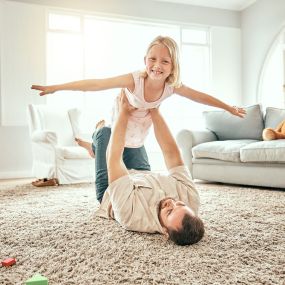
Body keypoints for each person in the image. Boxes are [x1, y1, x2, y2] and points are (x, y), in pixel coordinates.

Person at [31, 35, 246, 155]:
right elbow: (96, 84)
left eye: (165, 61)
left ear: (173, 67)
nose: (157, 65)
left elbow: (199, 96)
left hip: (140, 130)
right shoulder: (134, 80)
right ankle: (97, 134)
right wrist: (56, 87)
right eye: (152, 59)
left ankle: (93, 146)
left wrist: (228, 107)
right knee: (108, 148)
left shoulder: (172, 86)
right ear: (145, 60)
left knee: (127, 153)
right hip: (121, 121)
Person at [94, 90, 204, 246]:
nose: (171, 203)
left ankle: (95, 140)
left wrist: (123, 112)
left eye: (169, 212)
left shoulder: (131, 216)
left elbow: (114, 159)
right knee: (135, 132)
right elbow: (171, 153)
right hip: (144, 174)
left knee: (105, 133)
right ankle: (96, 148)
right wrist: (154, 110)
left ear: (165, 231)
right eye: (180, 204)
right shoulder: (191, 199)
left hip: (110, 190)